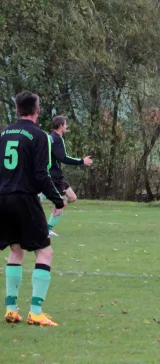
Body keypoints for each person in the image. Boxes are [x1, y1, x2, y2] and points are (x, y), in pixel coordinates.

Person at [0, 91, 65, 326]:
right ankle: (36, 311)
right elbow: (41, 174)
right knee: (45, 252)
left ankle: (10, 308)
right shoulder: (39, 135)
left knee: (15, 250)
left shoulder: (5, 132)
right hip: (25, 199)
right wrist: (57, 199)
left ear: (17, 110)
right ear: (37, 110)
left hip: (3, 198)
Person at [45, 115, 93, 237]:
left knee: (72, 197)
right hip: (54, 176)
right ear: (61, 126)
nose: (66, 126)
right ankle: (47, 230)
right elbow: (63, 158)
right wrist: (81, 161)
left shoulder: (51, 137)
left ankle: (48, 200)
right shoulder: (56, 139)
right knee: (62, 203)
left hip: (57, 175)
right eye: (65, 124)